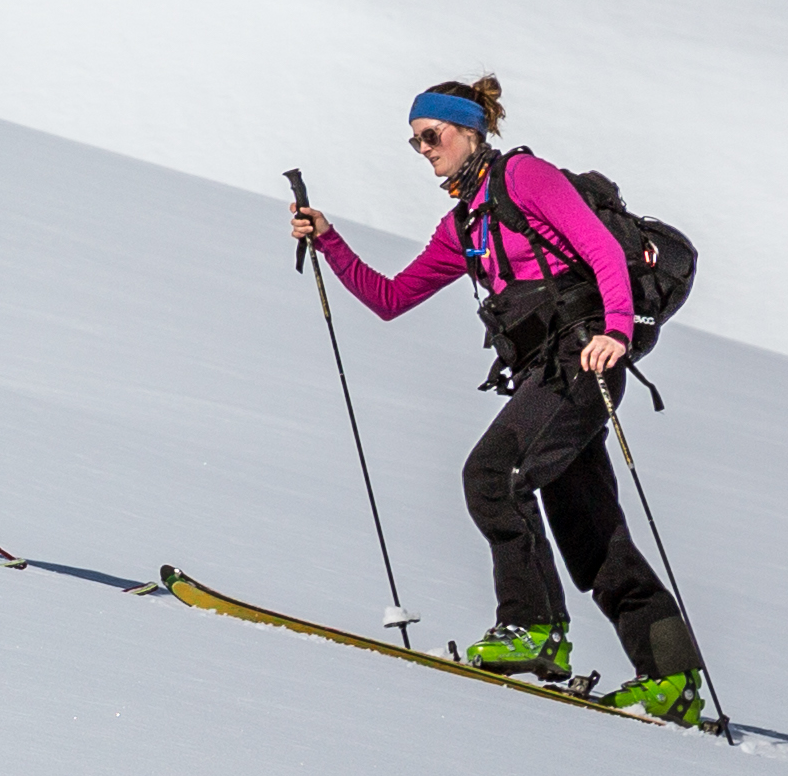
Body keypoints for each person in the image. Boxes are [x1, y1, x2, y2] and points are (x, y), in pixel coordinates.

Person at [284, 79, 710, 722]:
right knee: (592, 535)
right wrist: (330, 240)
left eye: (432, 135)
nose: (424, 149)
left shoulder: (526, 178)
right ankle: (672, 679)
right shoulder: (465, 224)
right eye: (415, 141)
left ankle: (533, 629)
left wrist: (618, 331)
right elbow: (391, 299)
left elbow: (600, 249)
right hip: (547, 373)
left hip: (583, 360)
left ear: (469, 130)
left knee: (493, 475)